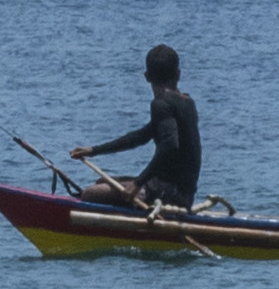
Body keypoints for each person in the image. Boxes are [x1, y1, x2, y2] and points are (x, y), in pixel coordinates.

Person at [75, 42, 202, 212]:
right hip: (183, 193)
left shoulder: (161, 104)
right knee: (102, 183)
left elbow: (170, 145)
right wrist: (93, 150)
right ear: (178, 74)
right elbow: (140, 137)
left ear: (147, 76)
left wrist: (138, 183)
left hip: (171, 194)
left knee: (90, 194)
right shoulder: (187, 102)